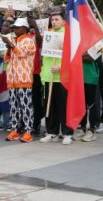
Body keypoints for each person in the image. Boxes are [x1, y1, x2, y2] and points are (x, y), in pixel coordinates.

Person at [38, 11, 75, 144]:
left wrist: (60, 67)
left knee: (63, 106)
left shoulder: (68, 35)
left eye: (57, 19)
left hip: (62, 77)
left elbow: (71, 56)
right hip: (49, 75)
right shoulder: (48, 33)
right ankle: (51, 131)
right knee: (50, 105)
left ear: (63, 21)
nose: (54, 22)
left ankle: (67, 133)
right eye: (52, 19)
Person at [3, 18, 37, 143]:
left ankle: (28, 131)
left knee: (26, 105)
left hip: (23, 78)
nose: (15, 29)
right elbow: (7, 59)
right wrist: (8, 47)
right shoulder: (14, 40)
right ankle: (15, 129)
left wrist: (11, 45)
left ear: (24, 28)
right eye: (14, 28)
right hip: (12, 79)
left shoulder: (29, 40)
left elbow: (22, 54)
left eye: (18, 27)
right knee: (14, 106)